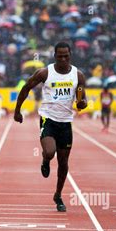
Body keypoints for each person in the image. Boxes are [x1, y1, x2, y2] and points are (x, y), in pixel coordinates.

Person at [14, 42, 87, 212]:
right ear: (54, 56)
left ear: (70, 56)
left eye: (66, 56)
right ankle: (45, 160)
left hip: (66, 122)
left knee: (63, 163)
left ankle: (58, 195)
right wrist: (17, 111)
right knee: (49, 151)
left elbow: (82, 100)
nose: (63, 59)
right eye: (59, 56)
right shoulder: (45, 72)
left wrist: (82, 103)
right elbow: (26, 88)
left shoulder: (78, 75)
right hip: (48, 118)